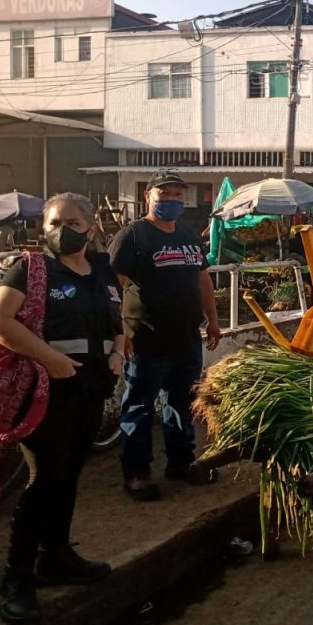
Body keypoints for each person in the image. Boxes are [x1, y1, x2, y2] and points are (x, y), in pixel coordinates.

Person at [0, 193, 124, 623]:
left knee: (68, 476)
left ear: (91, 227)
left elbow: (116, 320)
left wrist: (120, 350)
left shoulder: (101, 270)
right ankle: (16, 577)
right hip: (46, 390)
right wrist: (51, 359)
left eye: (73, 223)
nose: (61, 230)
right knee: (44, 480)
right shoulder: (31, 268)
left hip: (90, 388)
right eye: (53, 222)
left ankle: (56, 556)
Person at [108, 170, 220, 502]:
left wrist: (213, 321)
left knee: (181, 403)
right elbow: (112, 287)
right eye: (164, 194)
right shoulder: (132, 236)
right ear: (148, 196)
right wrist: (120, 332)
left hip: (186, 338)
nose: (171, 200)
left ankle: (181, 463)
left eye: (177, 195)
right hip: (145, 339)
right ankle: (137, 473)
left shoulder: (188, 235)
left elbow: (203, 281)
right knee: (140, 407)